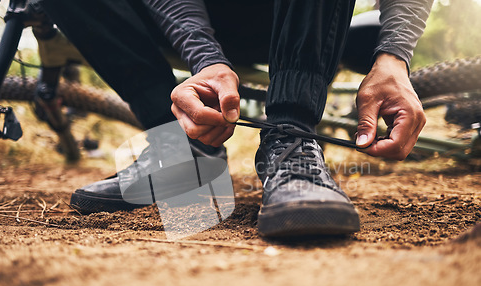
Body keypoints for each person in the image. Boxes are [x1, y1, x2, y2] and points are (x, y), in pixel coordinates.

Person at [39, 0, 434, 237]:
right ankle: (181, 147)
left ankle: (291, 141)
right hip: (176, 18)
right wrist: (205, 57)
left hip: (299, 17)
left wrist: (394, 56)